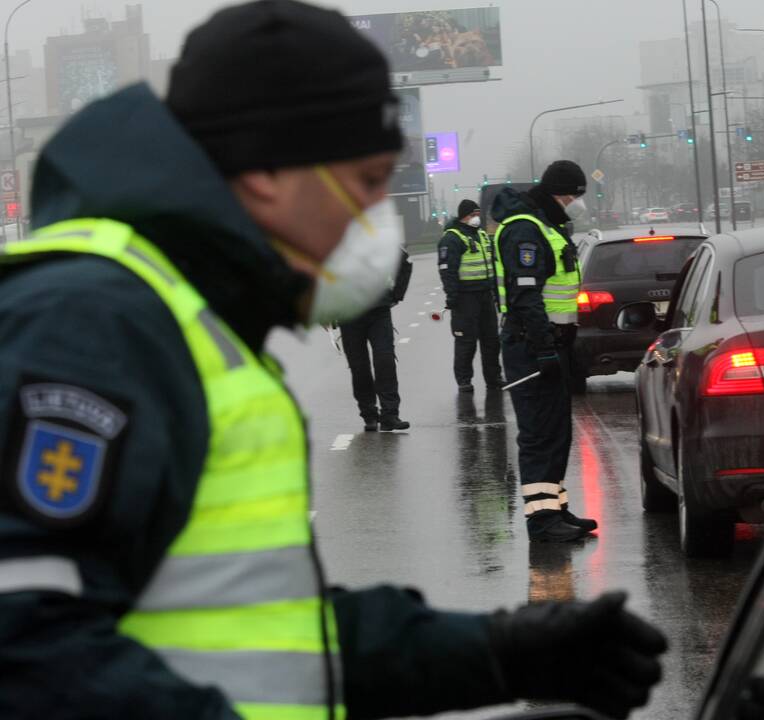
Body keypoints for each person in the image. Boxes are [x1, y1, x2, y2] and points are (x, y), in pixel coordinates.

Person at [0, 2, 668, 719]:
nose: (377, 217)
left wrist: (493, 653)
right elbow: (26, 650)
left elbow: (262, 641)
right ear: (264, 173)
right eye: (365, 181)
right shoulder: (95, 323)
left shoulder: (183, 314)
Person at [492, 160, 595, 543]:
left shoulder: (547, 225)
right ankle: (541, 521)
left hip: (552, 343)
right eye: (575, 195)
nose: (578, 203)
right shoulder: (525, 229)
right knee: (538, 433)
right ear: (559, 193)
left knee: (556, 431)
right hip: (531, 346)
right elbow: (525, 296)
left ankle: (555, 508)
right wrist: (544, 349)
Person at [338, 246, 412, 431]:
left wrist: (397, 294)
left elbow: (405, 262)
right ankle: (369, 414)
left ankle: (390, 415)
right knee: (359, 367)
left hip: (379, 312)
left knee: (385, 360)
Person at [437, 198, 503, 392]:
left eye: (477, 214)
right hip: (465, 298)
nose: (475, 218)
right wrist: (452, 296)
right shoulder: (452, 238)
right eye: (471, 215)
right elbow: (447, 270)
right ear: (463, 216)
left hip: (485, 295)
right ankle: (464, 380)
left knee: (491, 340)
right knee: (466, 341)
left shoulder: (482, 236)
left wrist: (496, 294)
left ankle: (494, 378)